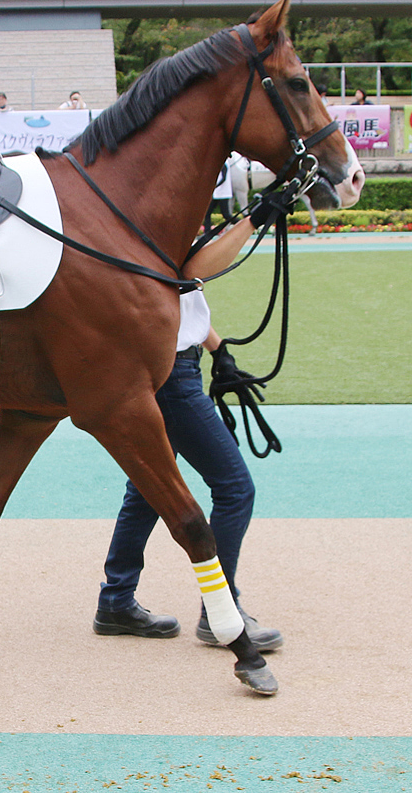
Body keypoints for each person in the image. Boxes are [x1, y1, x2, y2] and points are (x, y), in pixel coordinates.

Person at [92, 192, 282, 653]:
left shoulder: (141, 211)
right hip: (171, 374)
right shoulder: (151, 216)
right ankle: (222, 611)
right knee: (235, 488)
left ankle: (115, 601)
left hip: (175, 361)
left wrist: (219, 349)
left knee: (147, 491)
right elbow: (192, 270)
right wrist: (255, 218)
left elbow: (185, 291)